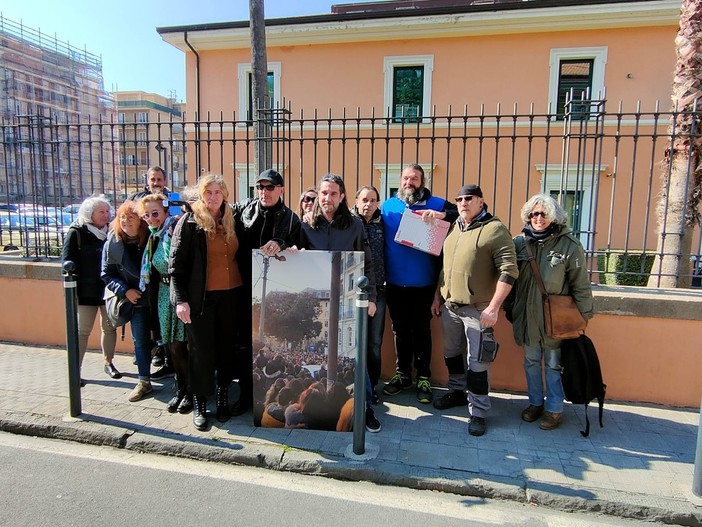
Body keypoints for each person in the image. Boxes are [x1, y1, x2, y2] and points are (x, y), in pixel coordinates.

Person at [430, 184, 518, 437]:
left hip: (479, 309)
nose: (463, 202)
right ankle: (457, 392)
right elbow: (444, 268)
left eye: (469, 198)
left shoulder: (495, 230)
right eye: (459, 199)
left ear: (481, 201)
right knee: (451, 354)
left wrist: (493, 307)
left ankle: (478, 412)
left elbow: (509, 271)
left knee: (478, 363)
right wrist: (437, 297)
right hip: (450, 306)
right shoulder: (454, 228)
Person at [298, 173, 381, 433]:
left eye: (333, 193)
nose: (327, 198)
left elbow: (368, 263)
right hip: (319, 303)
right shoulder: (307, 225)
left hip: (350, 300)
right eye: (323, 193)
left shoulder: (355, 225)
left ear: (342, 196)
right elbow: (297, 259)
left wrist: (372, 298)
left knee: (357, 357)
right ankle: (319, 407)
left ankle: (365, 409)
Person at [506, 194, 594, 431]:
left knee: (554, 365)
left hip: (555, 319)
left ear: (553, 216)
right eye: (534, 214)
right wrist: (509, 309)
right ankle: (535, 403)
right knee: (531, 362)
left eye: (543, 213)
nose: (538, 218)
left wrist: (583, 316)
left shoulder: (569, 245)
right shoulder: (519, 243)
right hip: (527, 316)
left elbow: (580, 284)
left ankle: (554, 409)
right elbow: (509, 279)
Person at [169, 174, 244, 431]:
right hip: (200, 299)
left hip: (231, 295)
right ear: (201, 195)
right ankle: (201, 402)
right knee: (200, 351)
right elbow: (176, 267)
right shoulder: (190, 223)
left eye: (217, 192)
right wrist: (181, 300)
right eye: (208, 192)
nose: (213, 197)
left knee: (226, 349)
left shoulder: (233, 220)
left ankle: (222, 396)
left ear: (224, 194)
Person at [381, 163, 457, 404]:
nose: (409, 182)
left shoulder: (437, 204)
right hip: (393, 282)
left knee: (422, 331)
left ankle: (424, 377)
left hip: (424, 284)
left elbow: (474, 209)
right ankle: (403, 374)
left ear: (422, 182)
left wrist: (442, 215)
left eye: (414, 178)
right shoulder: (387, 206)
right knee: (399, 331)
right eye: (405, 178)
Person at [230, 169, 302, 416]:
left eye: (270, 187)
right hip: (240, 288)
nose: (264, 192)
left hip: (270, 294)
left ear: (281, 189)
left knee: (263, 342)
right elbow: (221, 212)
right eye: (260, 187)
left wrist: (283, 244)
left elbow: (301, 249)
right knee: (241, 343)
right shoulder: (244, 209)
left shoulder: (292, 219)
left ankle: (267, 395)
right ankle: (244, 395)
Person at [137, 194, 191, 414]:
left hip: (178, 293)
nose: (151, 218)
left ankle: (190, 392)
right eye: (147, 215)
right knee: (170, 346)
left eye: (155, 213)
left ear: (166, 211)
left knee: (181, 345)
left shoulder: (174, 229)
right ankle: (180, 388)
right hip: (161, 293)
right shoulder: (152, 236)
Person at [61, 195, 117, 383]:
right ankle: (74, 370)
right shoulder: (76, 232)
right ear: (89, 213)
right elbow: (67, 263)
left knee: (109, 328)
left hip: (107, 289)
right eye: (101, 211)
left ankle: (108, 363)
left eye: (107, 211)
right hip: (85, 291)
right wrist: (72, 293)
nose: (106, 214)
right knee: (82, 331)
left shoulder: (111, 232)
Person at [101, 201, 152, 402]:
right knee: (140, 340)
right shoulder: (112, 243)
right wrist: (125, 290)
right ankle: (143, 381)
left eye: (131, 217)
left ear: (140, 220)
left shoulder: (151, 238)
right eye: (123, 217)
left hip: (155, 296)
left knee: (162, 341)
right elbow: (106, 274)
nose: (126, 221)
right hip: (135, 299)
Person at [352, 185, 385, 406]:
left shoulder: (384, 224)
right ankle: (355, 388)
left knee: (373, 343)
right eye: (364, 199)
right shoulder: (349, 224)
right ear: (355, 201)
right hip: (352, 291)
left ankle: (371, 387)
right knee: (353, 343)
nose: (368, 204)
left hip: (379, 292)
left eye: (373, 200)